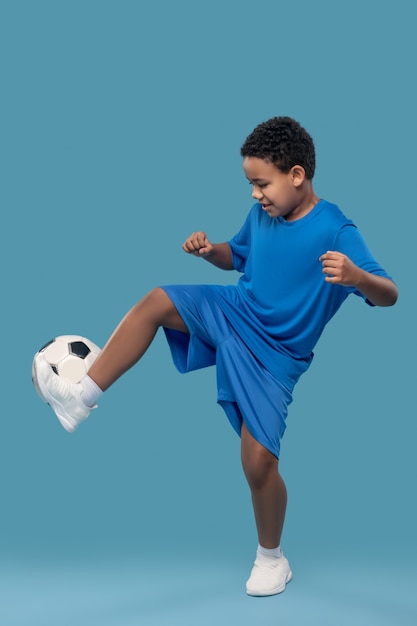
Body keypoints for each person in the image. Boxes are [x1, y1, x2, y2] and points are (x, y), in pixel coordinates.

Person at [34, 117, 398, 597]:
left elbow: (389, 293)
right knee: (157, 301)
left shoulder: (337, 228)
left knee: (257, 463)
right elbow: (239, 255)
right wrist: (211, 253)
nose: (255, 195)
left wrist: (357, 278)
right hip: (234, 311)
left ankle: (272, 559)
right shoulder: (264, 215)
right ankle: (82, 394)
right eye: (250, 184)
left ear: (296, 175)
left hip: (276, 356)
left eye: (261, 183)